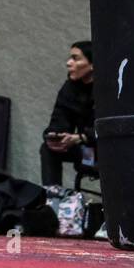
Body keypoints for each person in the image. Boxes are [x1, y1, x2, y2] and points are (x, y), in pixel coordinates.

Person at [41, 41, 96, 187]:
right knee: (47, 148)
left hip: (105, 154)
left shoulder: (109, 89)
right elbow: (60, 118)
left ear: (92, 64)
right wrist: (54, 136)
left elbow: (111, 129)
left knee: (92, 154)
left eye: (75, 58)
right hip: (86, 152)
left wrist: (81, 137)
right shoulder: (70, 88)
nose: (68, 63)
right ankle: (53, 197)